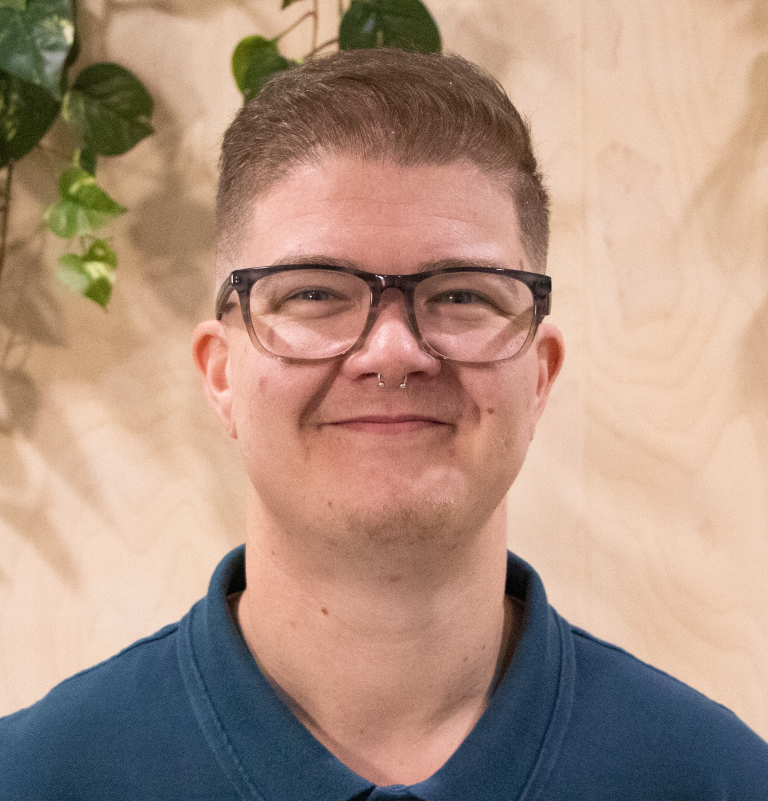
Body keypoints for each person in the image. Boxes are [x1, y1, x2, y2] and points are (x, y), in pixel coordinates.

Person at [1, 48, 767, 800]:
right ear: (220, 372)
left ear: (540, 375)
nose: (393, 350)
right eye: (313, 293)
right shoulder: (33, 778)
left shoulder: (720, 778)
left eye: (464, 293)